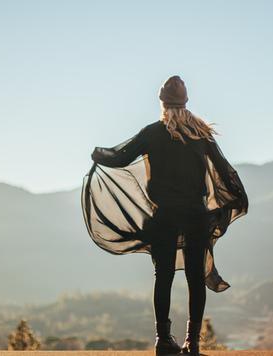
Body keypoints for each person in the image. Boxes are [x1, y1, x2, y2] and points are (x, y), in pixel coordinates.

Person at [82, 75, 248, 355]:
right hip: (196, 216)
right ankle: (192, 343)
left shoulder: (152, 133)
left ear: (162, 103)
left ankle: (163, 340)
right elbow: (224, 170)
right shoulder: (201, 135)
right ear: (185, 102)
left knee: (164, 276)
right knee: (196, 278)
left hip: (163, 218)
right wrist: (235, 197)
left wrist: (97, 155)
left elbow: (119, 158)